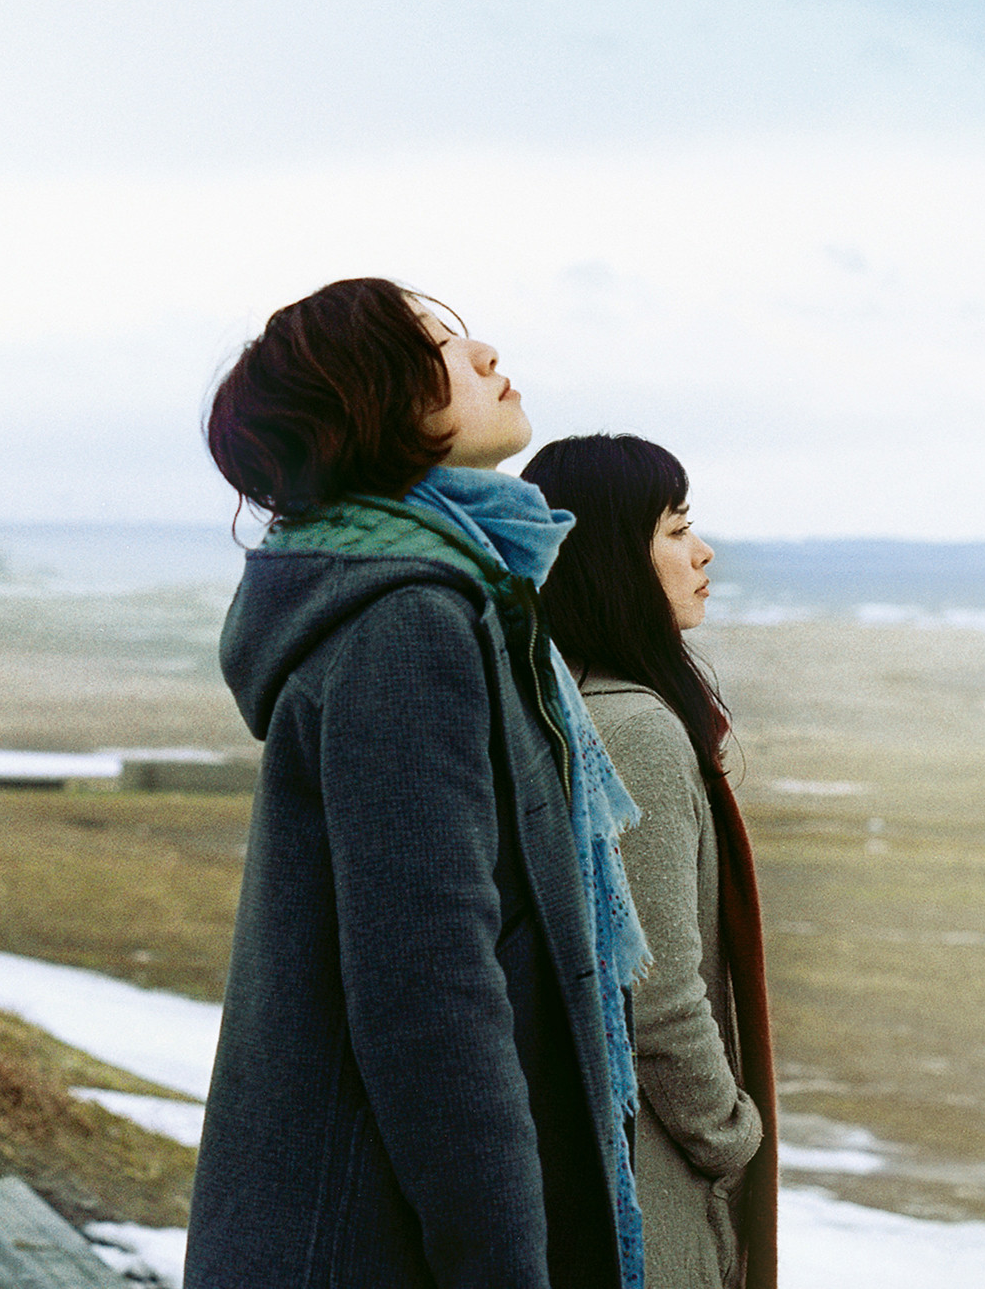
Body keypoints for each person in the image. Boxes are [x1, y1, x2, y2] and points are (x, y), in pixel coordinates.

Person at [187, 276, 651, 1288]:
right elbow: (429, 989)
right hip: (373, 1243)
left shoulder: (451, 594)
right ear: (370, 402)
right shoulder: (405, 624)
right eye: (438, 346)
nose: (486, 353)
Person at [522, 434, 778, 1289]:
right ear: (608, 558)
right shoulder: (634, 730)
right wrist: (731, 1136)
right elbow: (656, 989)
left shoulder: (558, 703)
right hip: (651, 1180)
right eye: (675, 529)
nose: (702, 552)